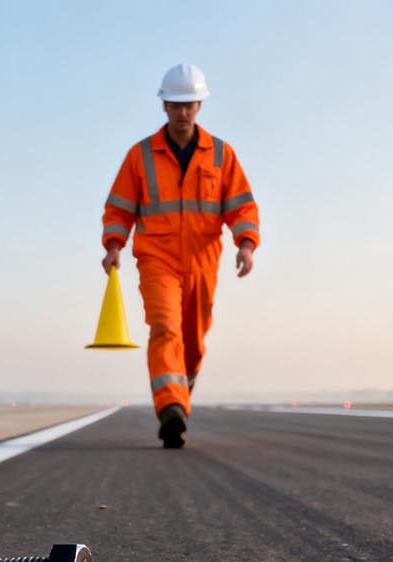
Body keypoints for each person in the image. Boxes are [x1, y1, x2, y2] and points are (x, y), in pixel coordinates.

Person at [101, 64, 260, 448]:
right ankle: (171, 408)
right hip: (157, 258)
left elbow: (241, 205)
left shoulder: (221, 154)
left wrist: (246, 244)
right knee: (165, 329)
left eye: (189, 104)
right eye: (175, 104)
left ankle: (180, 392)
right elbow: (120, 207)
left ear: (200, 105)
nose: (182, 112)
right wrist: (114, 245)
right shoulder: (140, 156)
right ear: (164, 106)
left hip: (203, 262)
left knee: (194, 339)